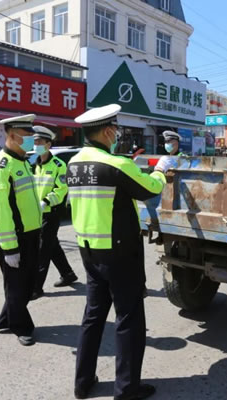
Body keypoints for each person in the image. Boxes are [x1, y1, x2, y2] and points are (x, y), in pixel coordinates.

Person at [68, 104, 176, 400]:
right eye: (115, 130)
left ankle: (82, 383)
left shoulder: (73, 164)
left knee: (93, 317)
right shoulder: (116, 164)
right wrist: (160, 170)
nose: (117, 135)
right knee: (128, 319)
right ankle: (127, 389)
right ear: (106, 131)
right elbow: (151, 188)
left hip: (88, 251)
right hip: (118, 255)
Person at [0, 114, 42, 347]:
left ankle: (5, 318)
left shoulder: (22, 162)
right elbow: (0, 211)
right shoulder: (0, 167)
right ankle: (20, 326)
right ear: (11, 135)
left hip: (31, 233)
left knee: (27, 284)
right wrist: (9, 247)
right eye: (27, 136)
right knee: (18, 285)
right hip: (13, 237)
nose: (31, 140)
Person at [31, 125, 78, 300]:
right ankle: (68, 274)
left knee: (42, 249)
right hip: (37, 213)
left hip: (51, 212)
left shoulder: (59, 165)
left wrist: (46, 201)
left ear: (48, 144)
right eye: (35, 142)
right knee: (52, 245)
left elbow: (61, 189)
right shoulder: (34, 165)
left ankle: (36, 287)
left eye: (40, 142)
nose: (36, 145)